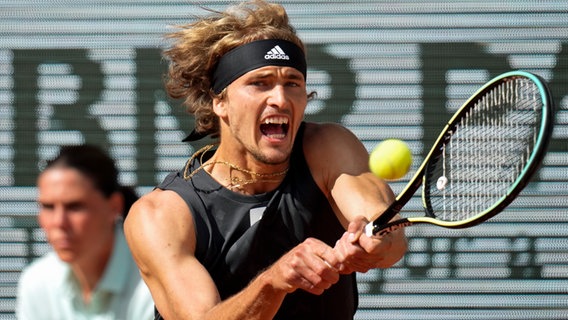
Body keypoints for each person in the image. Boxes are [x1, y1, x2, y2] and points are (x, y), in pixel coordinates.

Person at [124, 1, 407, 319]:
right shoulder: (162, 214)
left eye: (293, 84)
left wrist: (371, 245)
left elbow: (389, 238)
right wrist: (274, 282)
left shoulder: (327, 147)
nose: (281, 99)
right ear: (220, 102)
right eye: (260, 83)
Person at [16, 144, 154, 320]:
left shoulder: (153, 284)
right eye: (48, 207)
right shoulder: (36, 282)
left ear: (114, 206)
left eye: (75, 207)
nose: (59, 222)